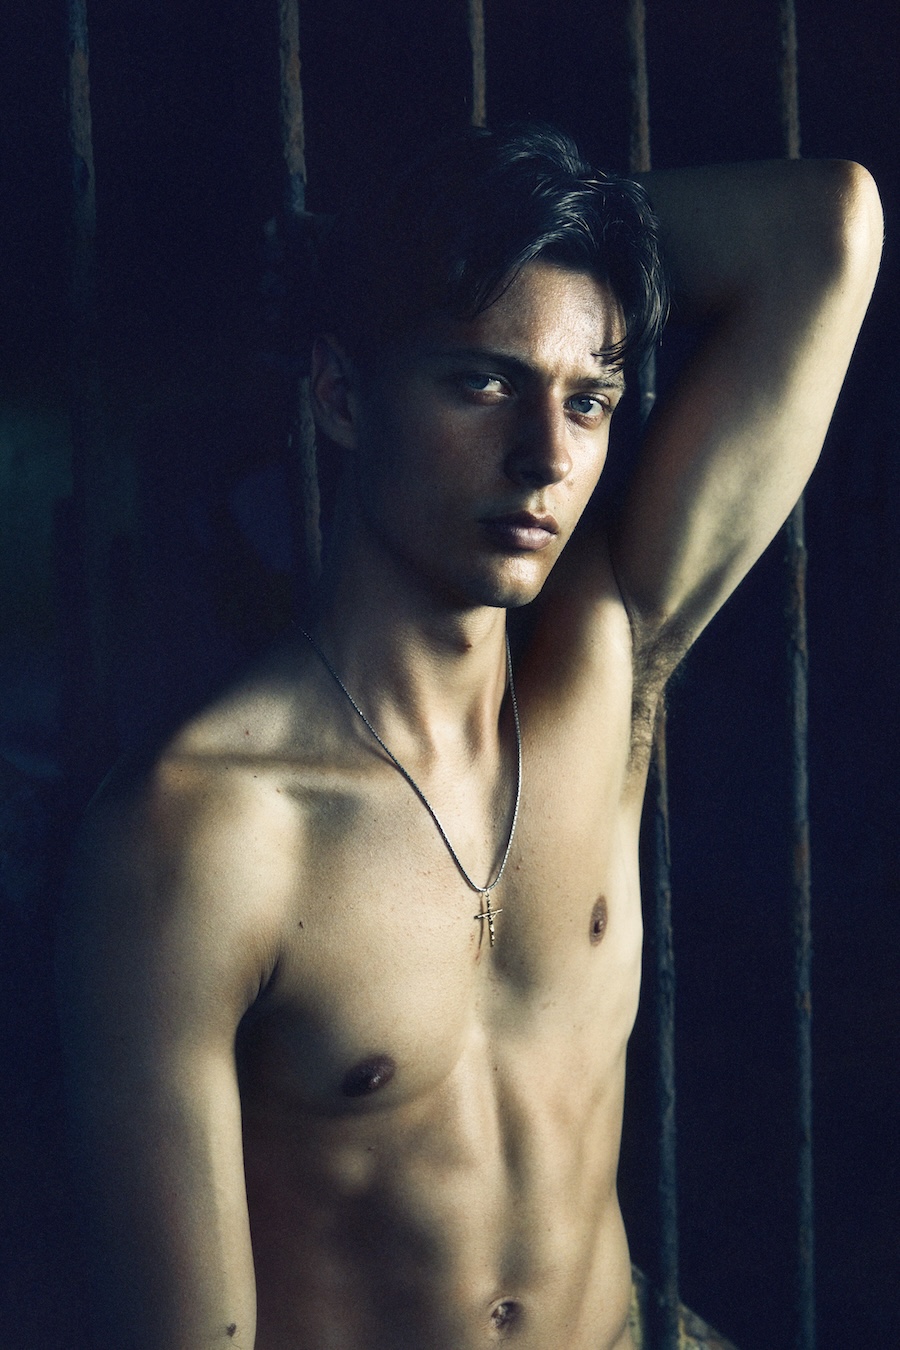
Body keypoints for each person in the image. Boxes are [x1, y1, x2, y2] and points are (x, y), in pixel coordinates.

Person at [57, 125, 882, 1350]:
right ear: (343, 396)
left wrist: (415, 252)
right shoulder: (196, 837)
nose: (547, 457)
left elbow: (828, 228)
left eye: (588, 400)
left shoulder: (605, 665)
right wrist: (390, 268)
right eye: (483, 382)